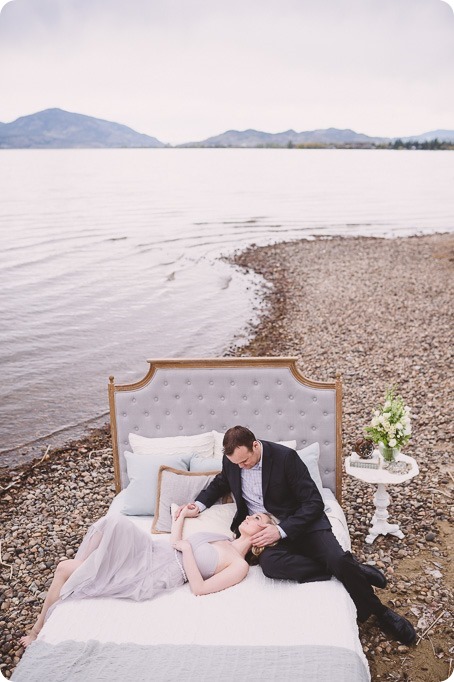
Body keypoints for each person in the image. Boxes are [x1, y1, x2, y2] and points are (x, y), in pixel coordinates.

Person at [177, 425, 417, 645]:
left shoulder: (286, 458)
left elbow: (313, 502)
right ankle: (352, 569)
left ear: (256, 445)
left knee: (336, 557)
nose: (242, 467)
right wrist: (198, 505)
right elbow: (221, 483)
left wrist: (280, 530)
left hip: (302, 523)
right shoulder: (233, 461)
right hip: (261, 531)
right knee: (270, 565)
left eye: (246, 461)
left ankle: (380, 612)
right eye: (237, 463)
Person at [20, 504, 276, 648]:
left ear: (262, 535)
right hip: (155, 549)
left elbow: (198, 588)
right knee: (114, 520)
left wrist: (187, 550)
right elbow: (176, 542)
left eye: (256, 518)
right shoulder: (223, 537)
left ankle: (36, 630)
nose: (249, 516)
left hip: (160, 570)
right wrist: (182, 516)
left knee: (64, 568)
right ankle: (87, 568)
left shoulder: (239, 566)